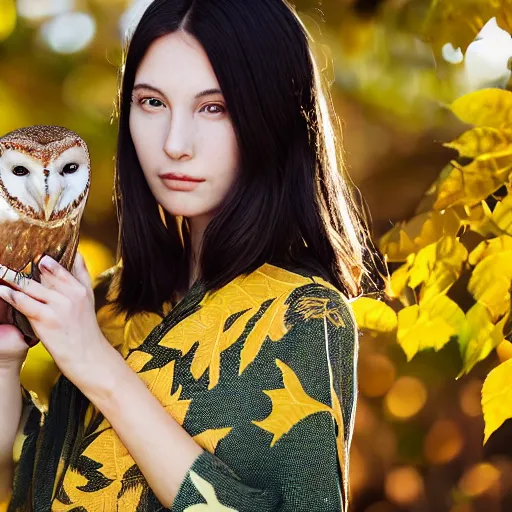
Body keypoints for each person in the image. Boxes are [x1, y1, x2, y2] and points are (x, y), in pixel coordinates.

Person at [0, 0, 383, 510]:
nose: (175, 144)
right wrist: (6, 362)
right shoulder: (107, 300)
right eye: (152, 103)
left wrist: (98, 366)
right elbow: (40, 478)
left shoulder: (305, 316)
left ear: (272, 116)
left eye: (214, 107)